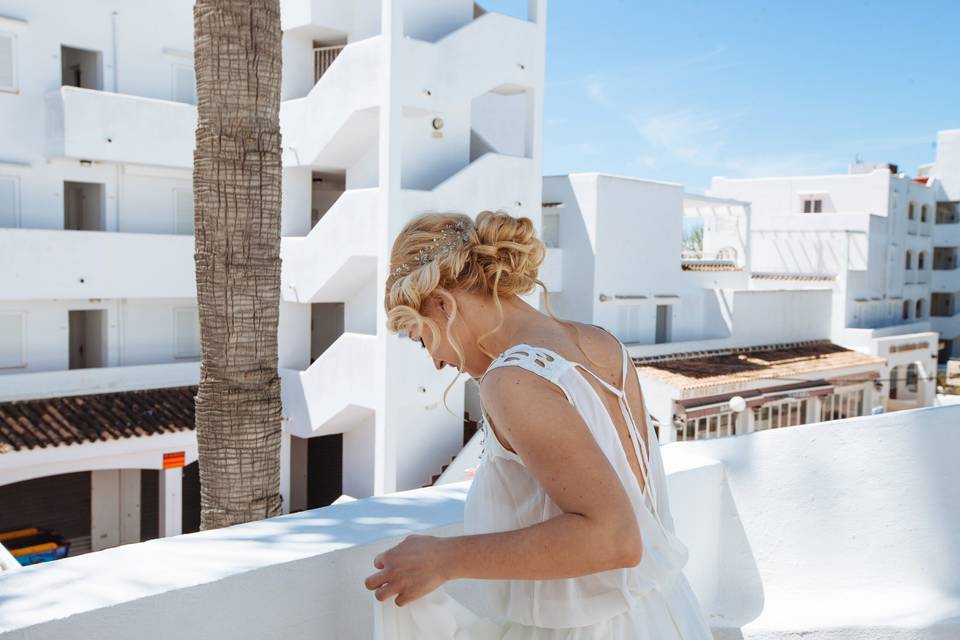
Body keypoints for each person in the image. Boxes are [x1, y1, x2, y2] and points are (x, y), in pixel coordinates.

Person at [364, 210, 713, 638]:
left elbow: (615, 538)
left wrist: (442, 558)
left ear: (442, 302)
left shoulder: (511, 380)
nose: (437, 361)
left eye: (422, 337)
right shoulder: (602, 343)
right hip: (662, 613)